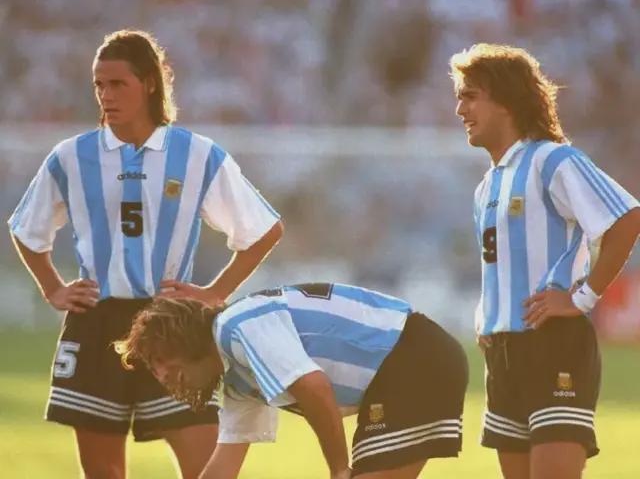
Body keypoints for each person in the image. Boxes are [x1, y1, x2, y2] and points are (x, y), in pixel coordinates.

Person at [8, 29, 283, 479]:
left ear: (150, 84)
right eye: (99, 84)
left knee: (206, 469)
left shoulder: (197, 155)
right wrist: (52, 288)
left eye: (118, 84)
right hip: (96, 321)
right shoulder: (71, 156)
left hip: (171, 321)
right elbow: (25, 228)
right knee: (104, 472)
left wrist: (215, 292)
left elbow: (264, 229)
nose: (106, 95)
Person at [449, 43, 640, 479]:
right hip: (502, 355)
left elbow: (627, 217)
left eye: (470, 96)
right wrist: (487, 315)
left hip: (553, 345)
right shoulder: (487, 186)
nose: (460, 110)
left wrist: (582, 297)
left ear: (506, 101)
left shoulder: (552, 160)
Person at [115, 282, 469, 479]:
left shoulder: (236, 328)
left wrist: (338, 469)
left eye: (160, 360)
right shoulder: (236, 373)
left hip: (415, 358)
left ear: (181, 338)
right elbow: (225, 463)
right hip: (408, 363)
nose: (161, 375)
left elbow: (313, 386)